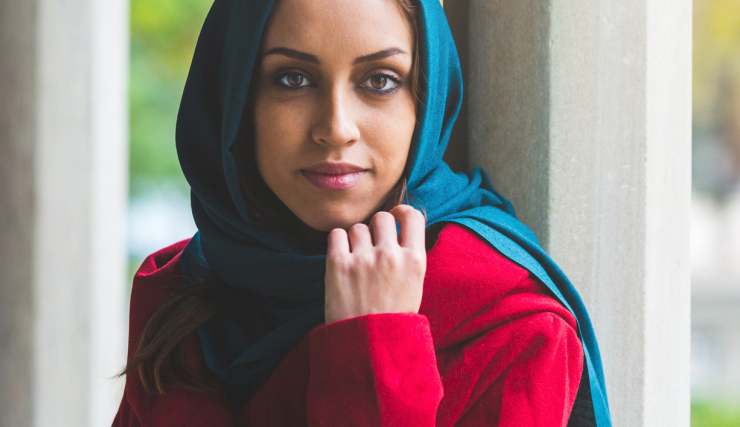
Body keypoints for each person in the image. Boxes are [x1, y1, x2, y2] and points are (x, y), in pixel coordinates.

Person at [112, 0, 610, 425]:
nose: (336, 128)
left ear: (425, 102)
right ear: (238, 102)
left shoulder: (508, 325)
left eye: (379, 80)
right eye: (292, 78)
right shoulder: (182, 295)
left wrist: (375, 346)